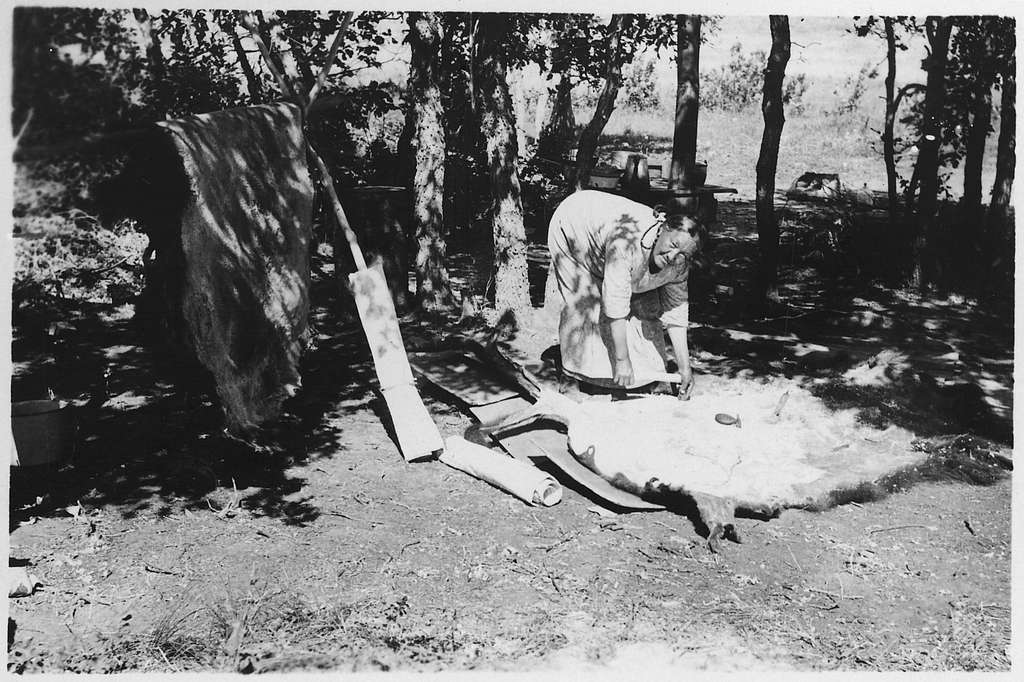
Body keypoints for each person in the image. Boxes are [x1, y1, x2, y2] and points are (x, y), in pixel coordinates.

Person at [546, 189, 704, 398]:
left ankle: (647, 374)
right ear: (663, 229)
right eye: (673, 245)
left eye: (683, 254)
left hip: (611, 242)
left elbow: (676, 313)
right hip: (575, 227)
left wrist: (685, 368)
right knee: (586, 302)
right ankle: (571, 374)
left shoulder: (679, 266)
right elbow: (615, 303)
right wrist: (622, 360)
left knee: (646, 306)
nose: (672, 256)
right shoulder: (625, 243)